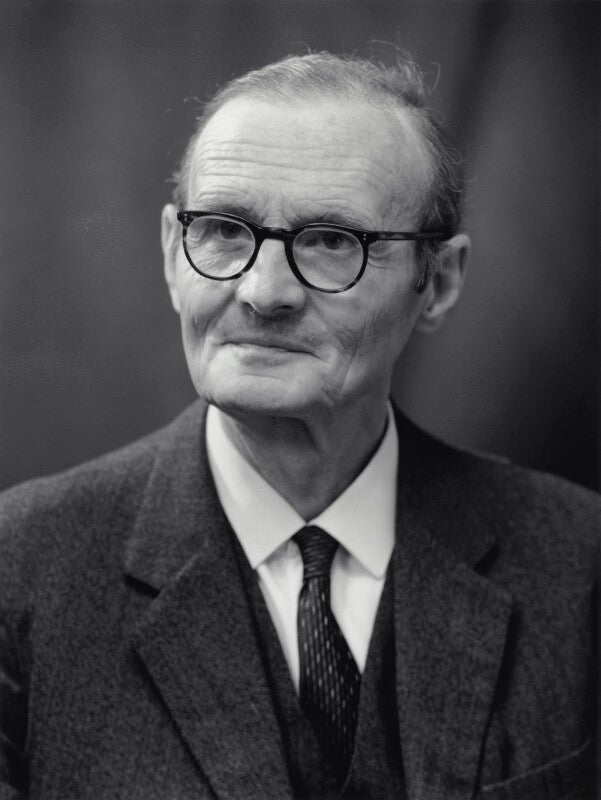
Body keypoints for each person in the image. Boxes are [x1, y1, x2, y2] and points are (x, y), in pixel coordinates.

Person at [0, 52, 598, 800]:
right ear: (173, 255)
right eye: (224, 230)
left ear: (438, 282)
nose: (263, 292)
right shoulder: (18, 573)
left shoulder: (579, 564)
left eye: (331, 241)